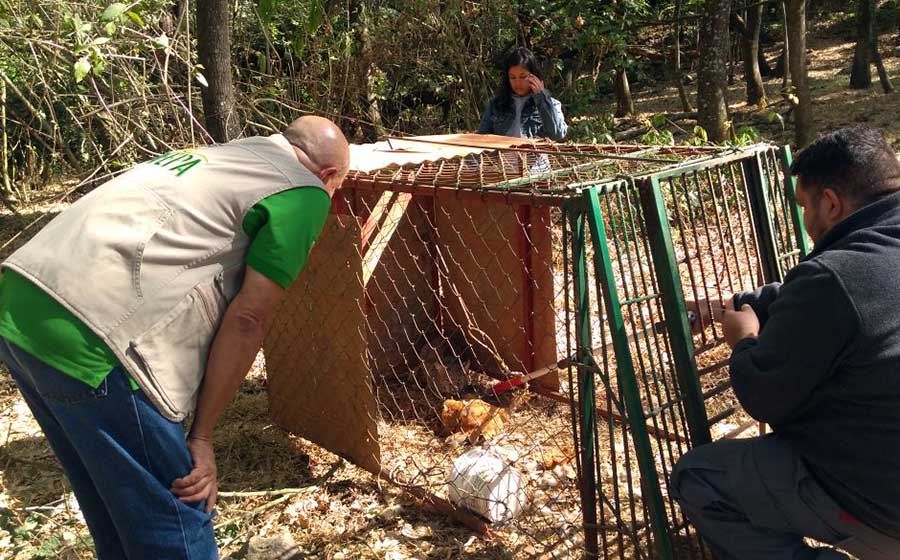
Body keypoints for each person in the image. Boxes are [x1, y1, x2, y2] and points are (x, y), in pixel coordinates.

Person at [0, 115, 350, 559]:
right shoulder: (304, 190)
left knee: (117, 505)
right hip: (95, 335)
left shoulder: (229, 154)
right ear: (328, 175)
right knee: (176, 515)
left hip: (21, 303)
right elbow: (249, 317)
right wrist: (201, 438)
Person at [671, 125, 900, 559]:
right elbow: (819, 296)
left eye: (803, 206)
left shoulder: (835, 278)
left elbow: (762, 394)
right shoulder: (869, 254)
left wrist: (743, 341)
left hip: (881, 509)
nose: (806, 220)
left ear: (831, 204)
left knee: (698, 478)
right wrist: (733, 301)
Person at [477, 46, 568, 141]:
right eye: (512, 77)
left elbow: (557, 134)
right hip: (500, 155)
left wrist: (541, 98)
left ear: (534, 76)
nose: (517, 83)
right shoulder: (496, 105)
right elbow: (481, 138)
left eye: (523, 76)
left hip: (533, 155)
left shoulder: (551, 104)